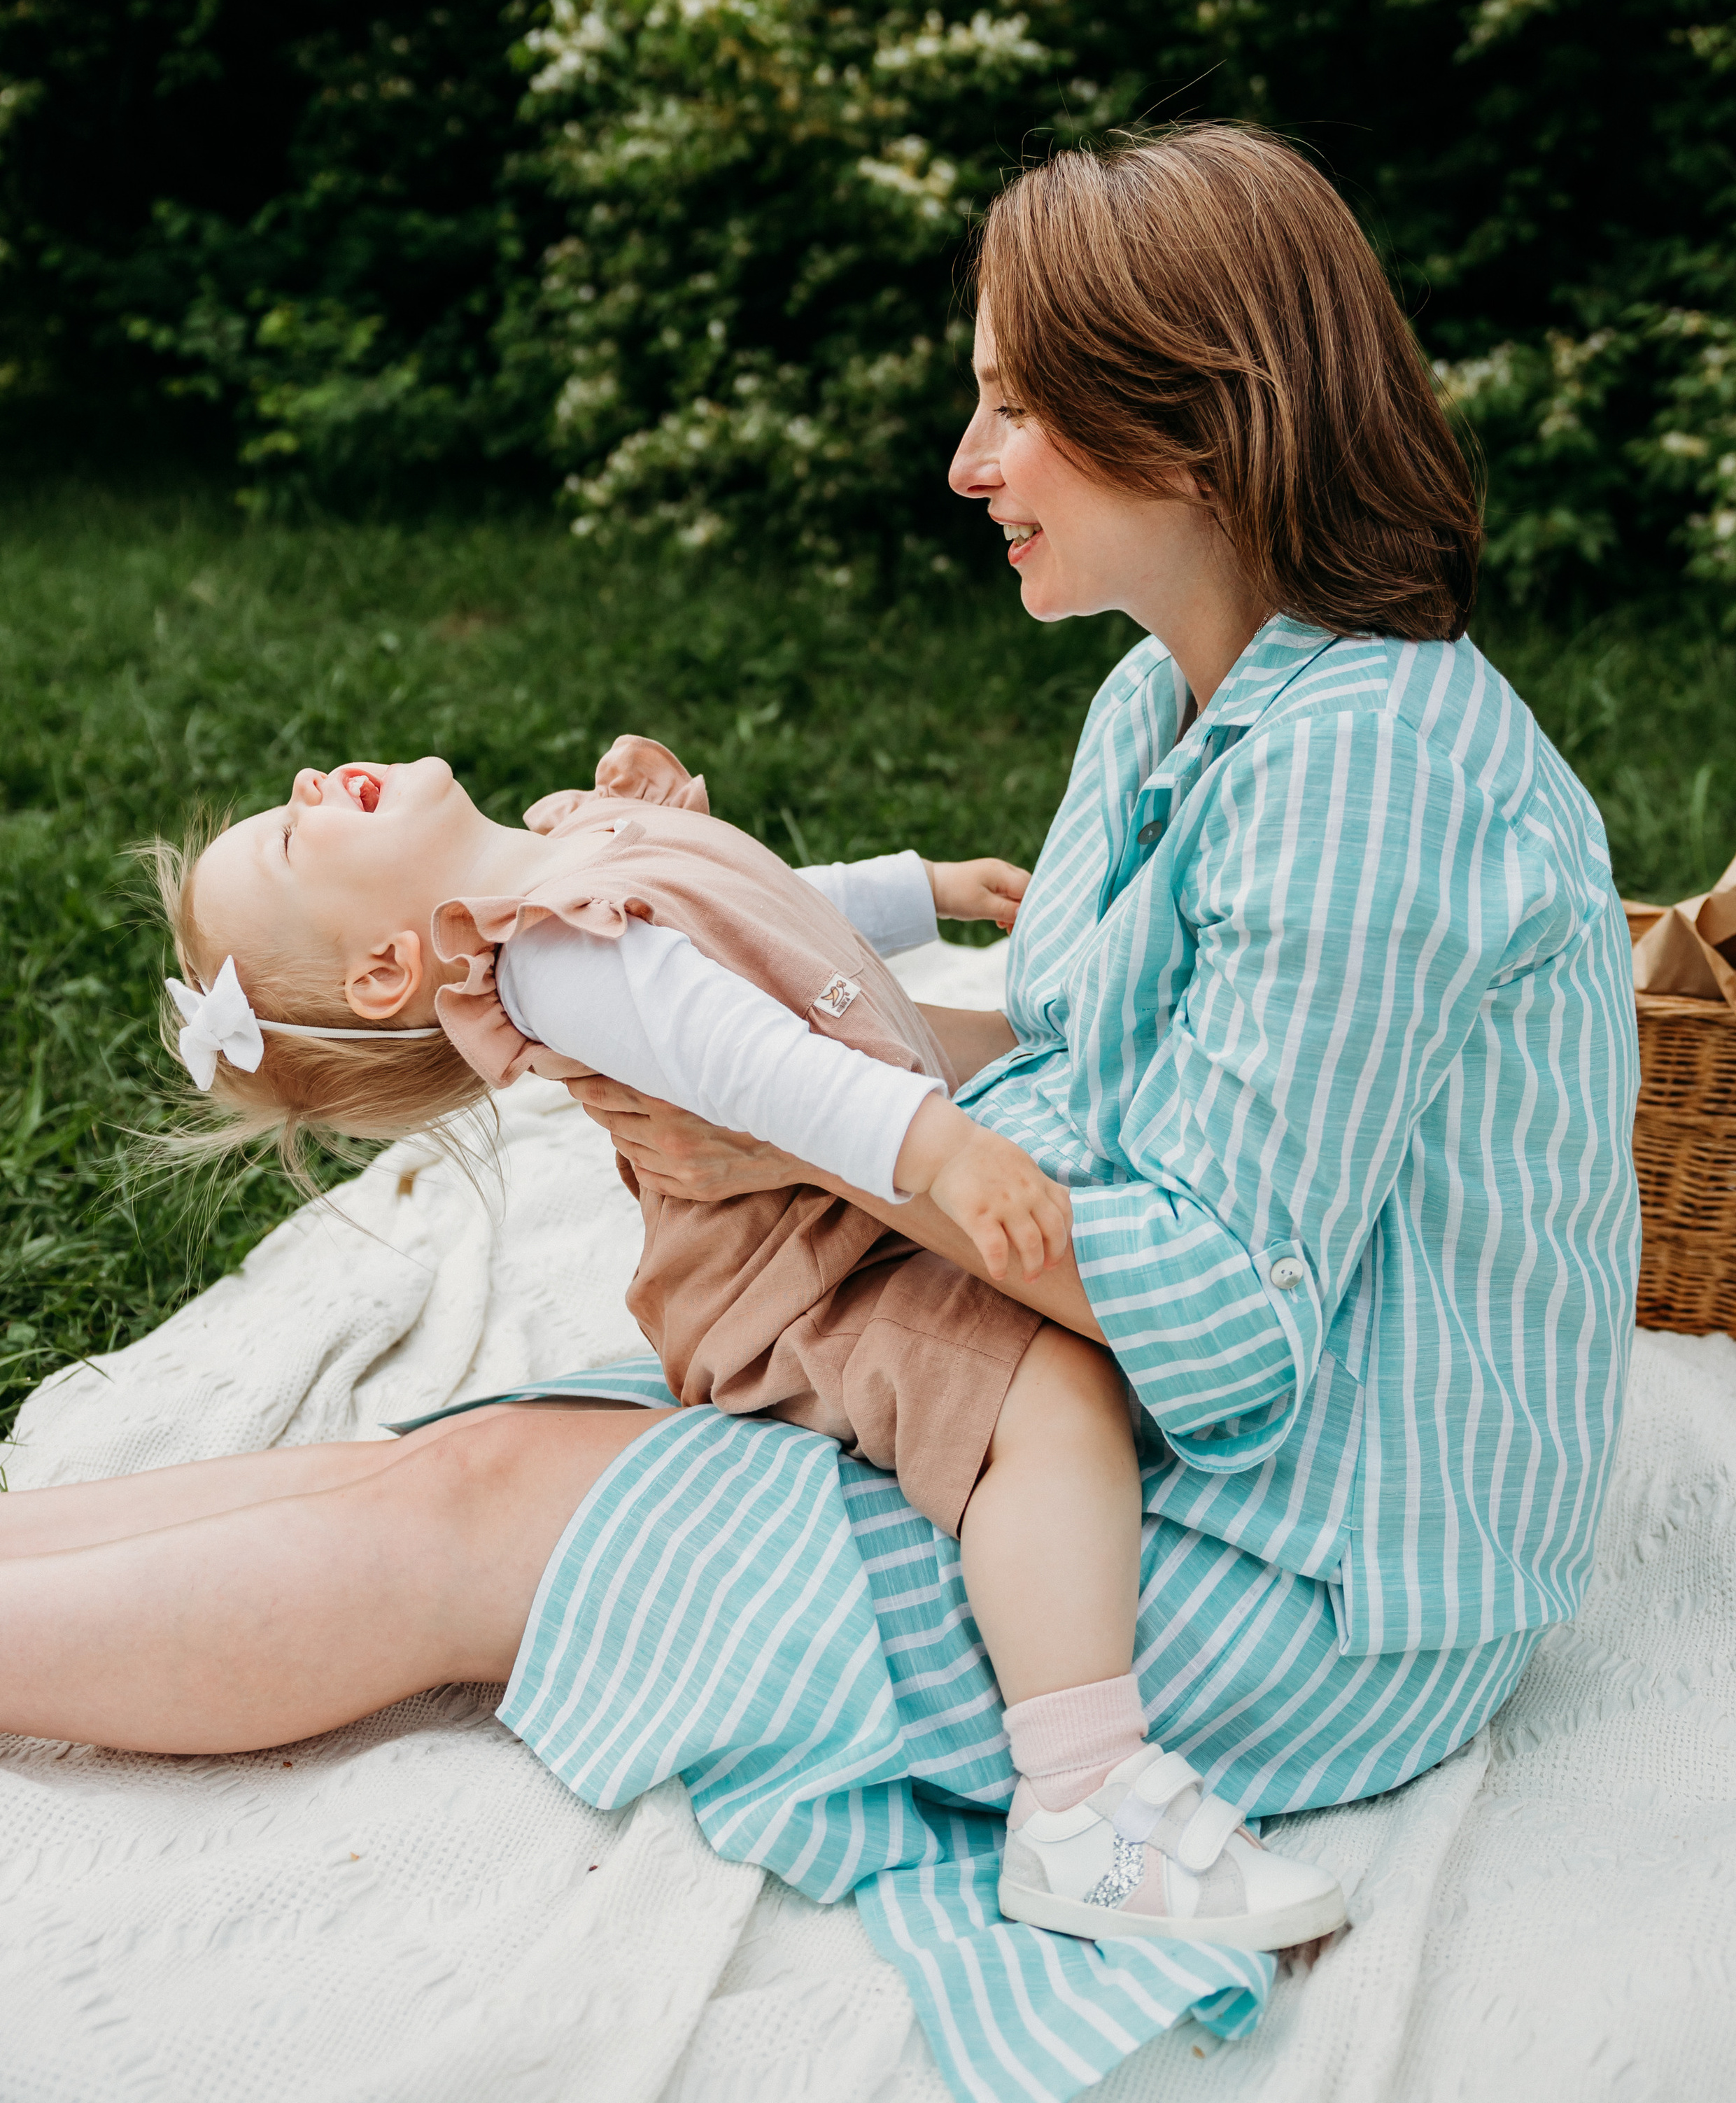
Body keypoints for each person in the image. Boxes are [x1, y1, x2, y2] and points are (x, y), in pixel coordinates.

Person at [0, 125, 1637, 2044]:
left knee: (502, 1522)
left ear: (1198, 428)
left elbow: (1216, 1321)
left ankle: (1092, 1801)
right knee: (470, 1454)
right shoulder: (1164, 700)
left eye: (1014, 408)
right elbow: (1082, 1067)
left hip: (1322, 1577)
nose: (966, 465)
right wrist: (832, 1084)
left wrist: (819, 1142)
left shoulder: (1373, 773)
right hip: (1163, 1445)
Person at [126, 725, 1345, 1953]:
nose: (300, 784)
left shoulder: (568, 851)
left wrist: (918, 893)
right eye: (290, 837)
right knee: (1044, 1390)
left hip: (838, 1205)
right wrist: (946, 1153)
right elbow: (755, 1060)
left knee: (1060, 1326)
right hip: (800, 1272)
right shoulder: (557, 957)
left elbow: (755, 913)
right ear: (389, 969)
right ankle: (1084, 1804)